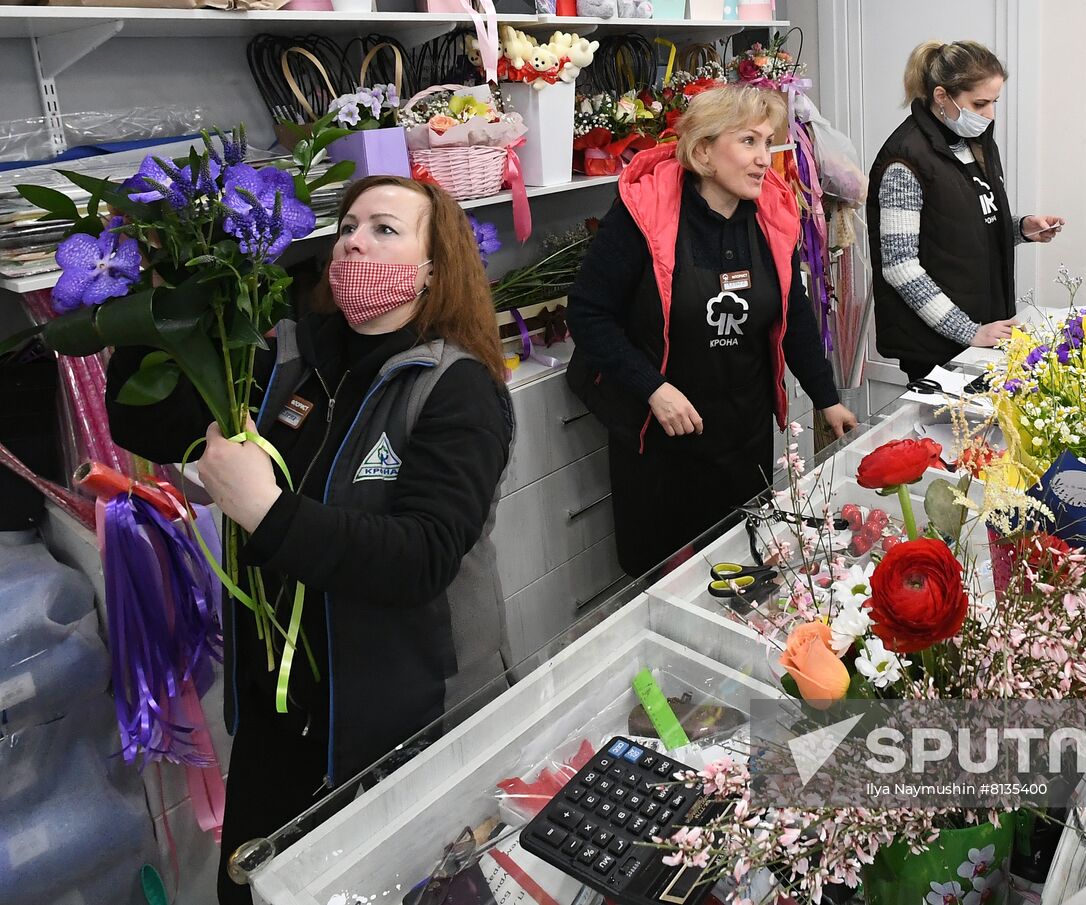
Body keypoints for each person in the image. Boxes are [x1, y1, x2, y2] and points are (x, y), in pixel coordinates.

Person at [104, 175, 514, 905]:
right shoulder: (289, 360)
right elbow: (143, 420)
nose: (356, 239)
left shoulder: (457, 388)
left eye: (386, 229)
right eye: (349, 224)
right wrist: (160, 288)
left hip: (395, 726)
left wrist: (266, 510)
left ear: (434, 266)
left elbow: (420, 556)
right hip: (280, 720)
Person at [567, 85, 857, 577]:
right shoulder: (644, 214)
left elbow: (795, 313)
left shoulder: (773, 214)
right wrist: (653, 389)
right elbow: (588, 314)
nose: (765, 159)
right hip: (660, 440)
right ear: (703, 151)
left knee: (741, 570)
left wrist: (827, 398)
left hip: (742, 433)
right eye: (748, 142)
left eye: (768, 142)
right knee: (667, 579)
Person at [869, 40, 1066, 382]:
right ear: (942, 96)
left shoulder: (973, 142)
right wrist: (968, 331)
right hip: (938, 346)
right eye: (980, 103)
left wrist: (1018, 228)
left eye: (994, 102)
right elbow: (899, 266)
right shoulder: (905, 160)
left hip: (985, 330)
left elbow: (960, 224)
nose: (990, 114)